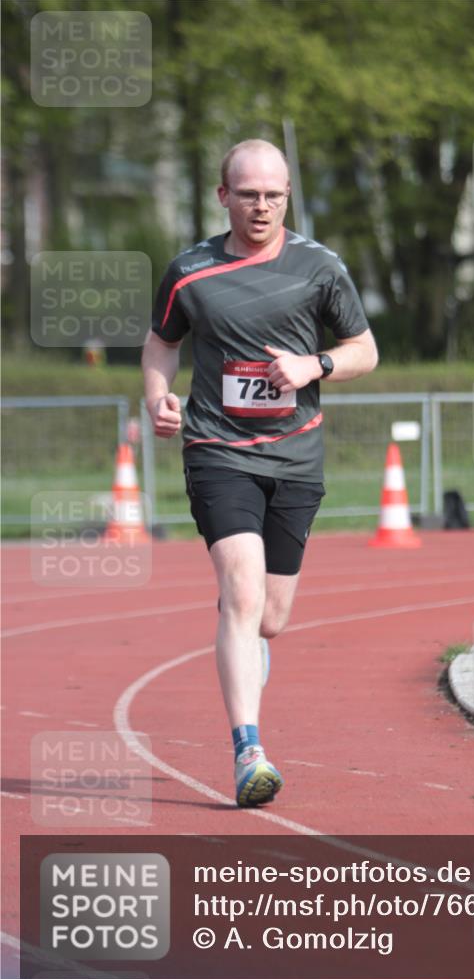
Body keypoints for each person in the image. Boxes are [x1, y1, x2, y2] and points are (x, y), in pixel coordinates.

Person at [142, 139, 378, 807]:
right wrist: (158, 398)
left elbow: (364, 348)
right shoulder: (190, 272)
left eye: (273, 194)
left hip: (296, 458)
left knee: (268, 617)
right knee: (243, 592)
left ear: (287, 197)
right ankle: (248, 750)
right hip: (218, 451)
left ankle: (243, 632)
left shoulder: (319, 268)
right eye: (247, 194)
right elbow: (162, 342)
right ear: (224, 197)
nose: (261, 206)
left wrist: (316, 366)